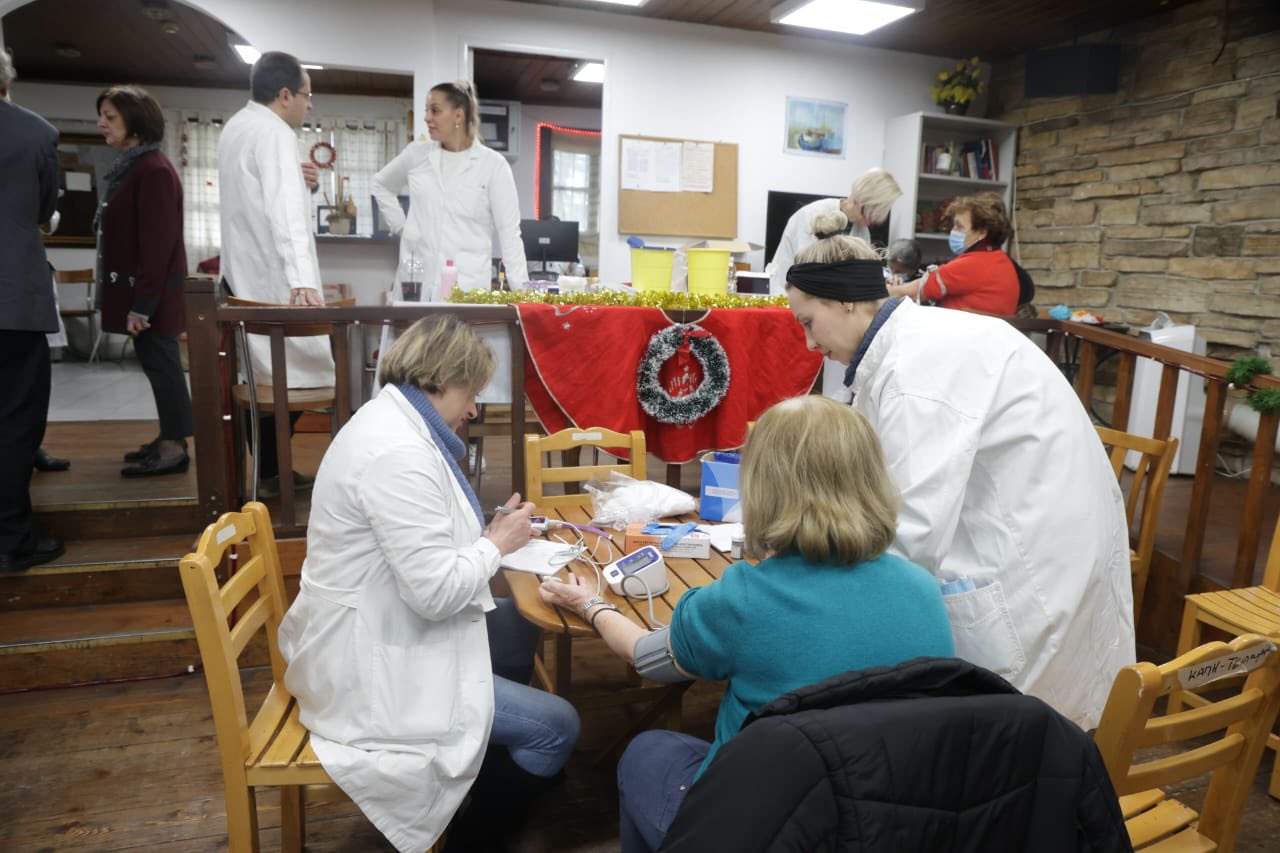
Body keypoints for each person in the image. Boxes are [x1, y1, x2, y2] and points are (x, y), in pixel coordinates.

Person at [538, 394, 954, 853]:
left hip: (767, 825)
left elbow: (644, 656)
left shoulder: (742, 599)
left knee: (648, 751)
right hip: (886, 816)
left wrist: (591, 604)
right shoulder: (923, 590)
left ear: (763, 486)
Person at [786, 208, 1134, 731]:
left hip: (1035, 564)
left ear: (844, 300)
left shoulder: (918, 368)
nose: (810, 344)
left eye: (808, 323)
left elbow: (912, 534)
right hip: (1040, 532)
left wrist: (814, 596)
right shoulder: (914, 344)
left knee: (1019, 735)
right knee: (1036, 733)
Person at [278, 316, 579, 853]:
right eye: (472, 393)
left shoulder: (388, 421)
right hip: (366, 669)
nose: (473, 410)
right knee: (558, 726)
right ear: (444, 378)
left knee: (517, 623)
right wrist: (495, 545)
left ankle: (489, 760)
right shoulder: (398, 453)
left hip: (376, 622)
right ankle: (473, 837)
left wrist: (485, 536)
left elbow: (418, 542)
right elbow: (435, 595)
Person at [218, 51, 332, 496]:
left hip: (242, 276)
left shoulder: (237, 126)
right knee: (312, 375)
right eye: (306, 95)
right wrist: (302, 279)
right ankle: (271, 473)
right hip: (275, 279)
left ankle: (268, 472)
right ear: (285, 95)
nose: (308, 104)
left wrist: (302, 182)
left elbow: (262, 193)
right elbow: (284, 212)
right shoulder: (275, 132)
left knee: (263, 377)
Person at [93, 85, 192, 476]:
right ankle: (170, 436)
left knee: (164, 370)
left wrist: (143, 305)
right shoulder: (136, 166)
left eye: (110, 117)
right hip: (148, 294)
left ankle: (174, 447)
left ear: (135, 122)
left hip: (155, 296)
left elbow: (157, 246)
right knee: (157, 367)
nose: (101, 123)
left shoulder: (154, 170)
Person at [0, 48, 65, 572]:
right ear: (5, 81)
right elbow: (45, 209)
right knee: (16, 420)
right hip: (12, 296)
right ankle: (10, 538)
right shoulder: (35, 133)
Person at [372, 80, 528, 295]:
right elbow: (380, 184)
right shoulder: (417, 154)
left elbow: (509, 233)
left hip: (466, 288)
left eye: (435, 110)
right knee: (412, 318)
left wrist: (522, 293)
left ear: (458, 115)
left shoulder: (493, 166)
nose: (427, 118)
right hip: (416, 284)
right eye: (427, 110)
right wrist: (401, 227)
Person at [767, 167, 901, 297]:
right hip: (788, 294)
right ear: (865, 202)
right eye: (878, 209)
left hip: (824, 300)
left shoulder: (862, 229)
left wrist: (882, 279)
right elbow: (810, 270)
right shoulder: (812, 215)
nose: (878, 219)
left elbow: (859, 272)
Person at [888, 193, 1020, 315]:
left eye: (959, 226)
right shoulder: (1000, 260)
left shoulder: (972, 264)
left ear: (981, 232)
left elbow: (911, 293)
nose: (953, 231)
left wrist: (881, 291)